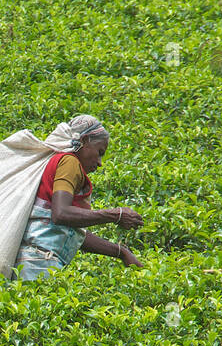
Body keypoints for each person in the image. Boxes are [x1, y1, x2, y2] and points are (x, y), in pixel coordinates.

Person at [15, 114, 144, 281]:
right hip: (39, 263)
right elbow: (61, 214)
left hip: (35, 261)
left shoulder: (62, 163)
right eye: (99, 152)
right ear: (84, 141)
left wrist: (121, 252)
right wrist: (115, 215)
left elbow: (73, 234)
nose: (99, 162)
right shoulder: (69, 162)